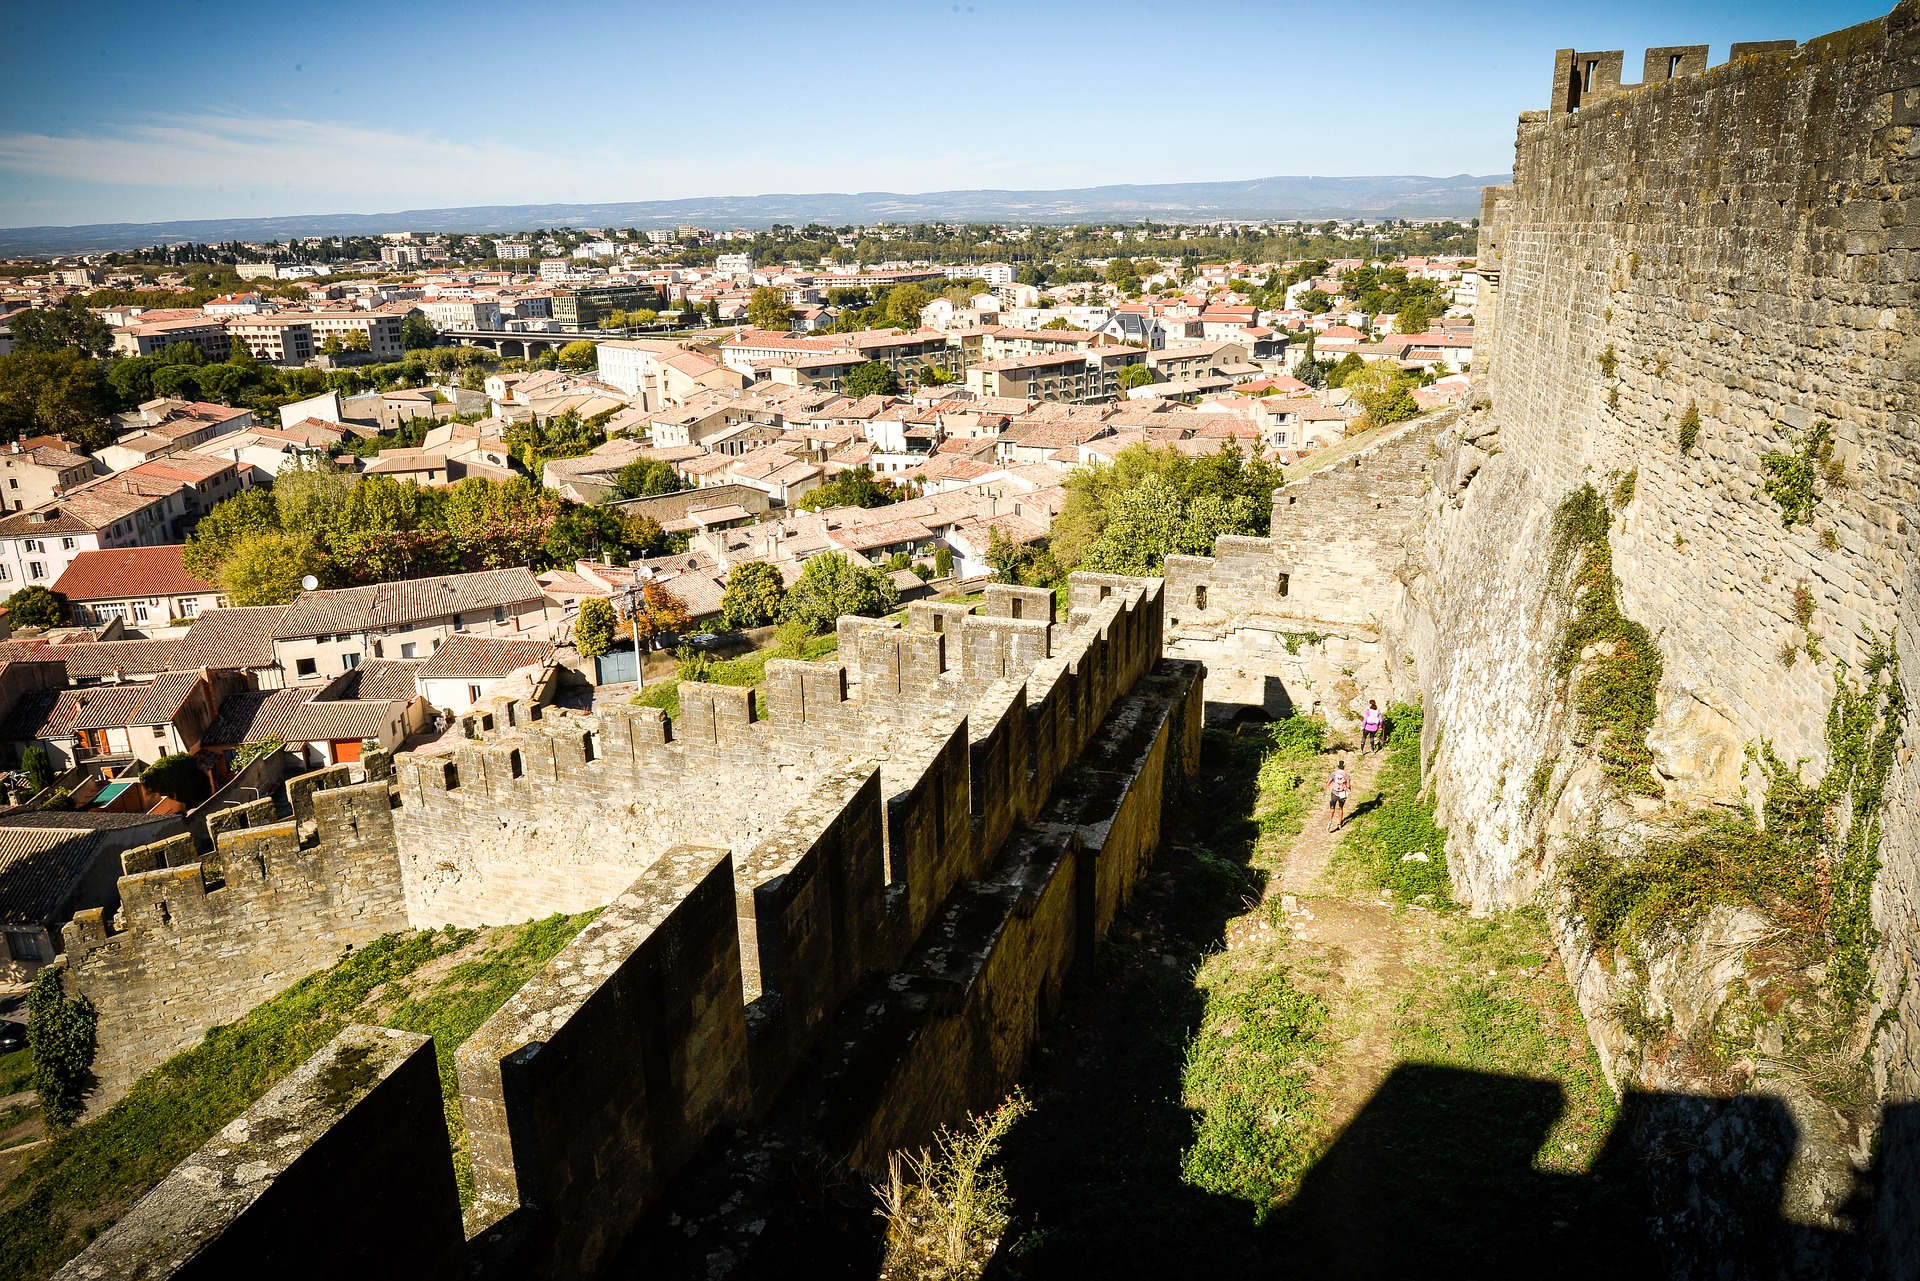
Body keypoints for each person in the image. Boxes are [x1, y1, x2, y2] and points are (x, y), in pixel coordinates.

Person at [1328, 760, 1351, 832]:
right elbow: (1348, 785)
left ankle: (1330, 821)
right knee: (1340, 808)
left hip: (1334, 793)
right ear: (1344, 766)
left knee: (1332, 809)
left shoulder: (1333, 774)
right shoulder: (1346, 775)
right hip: (1342, 794)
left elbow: (1328, 783)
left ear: (1337, 766)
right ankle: (1339, 823)